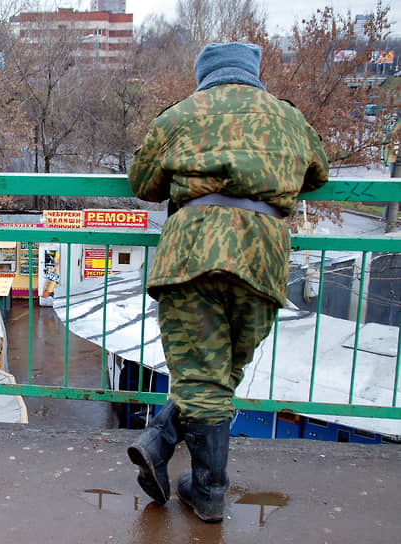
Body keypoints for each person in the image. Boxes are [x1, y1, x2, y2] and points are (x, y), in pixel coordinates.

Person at [126, 42, 328, 523]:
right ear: (254, 73)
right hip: (262, 258)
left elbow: (142, 183)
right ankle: (161, 446)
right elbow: (317, 174)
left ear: (203, 75)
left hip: (193, 255)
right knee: (218, 374)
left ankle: (209, 490)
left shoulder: (180, 116)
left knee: (203, 376)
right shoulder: (288, 119)